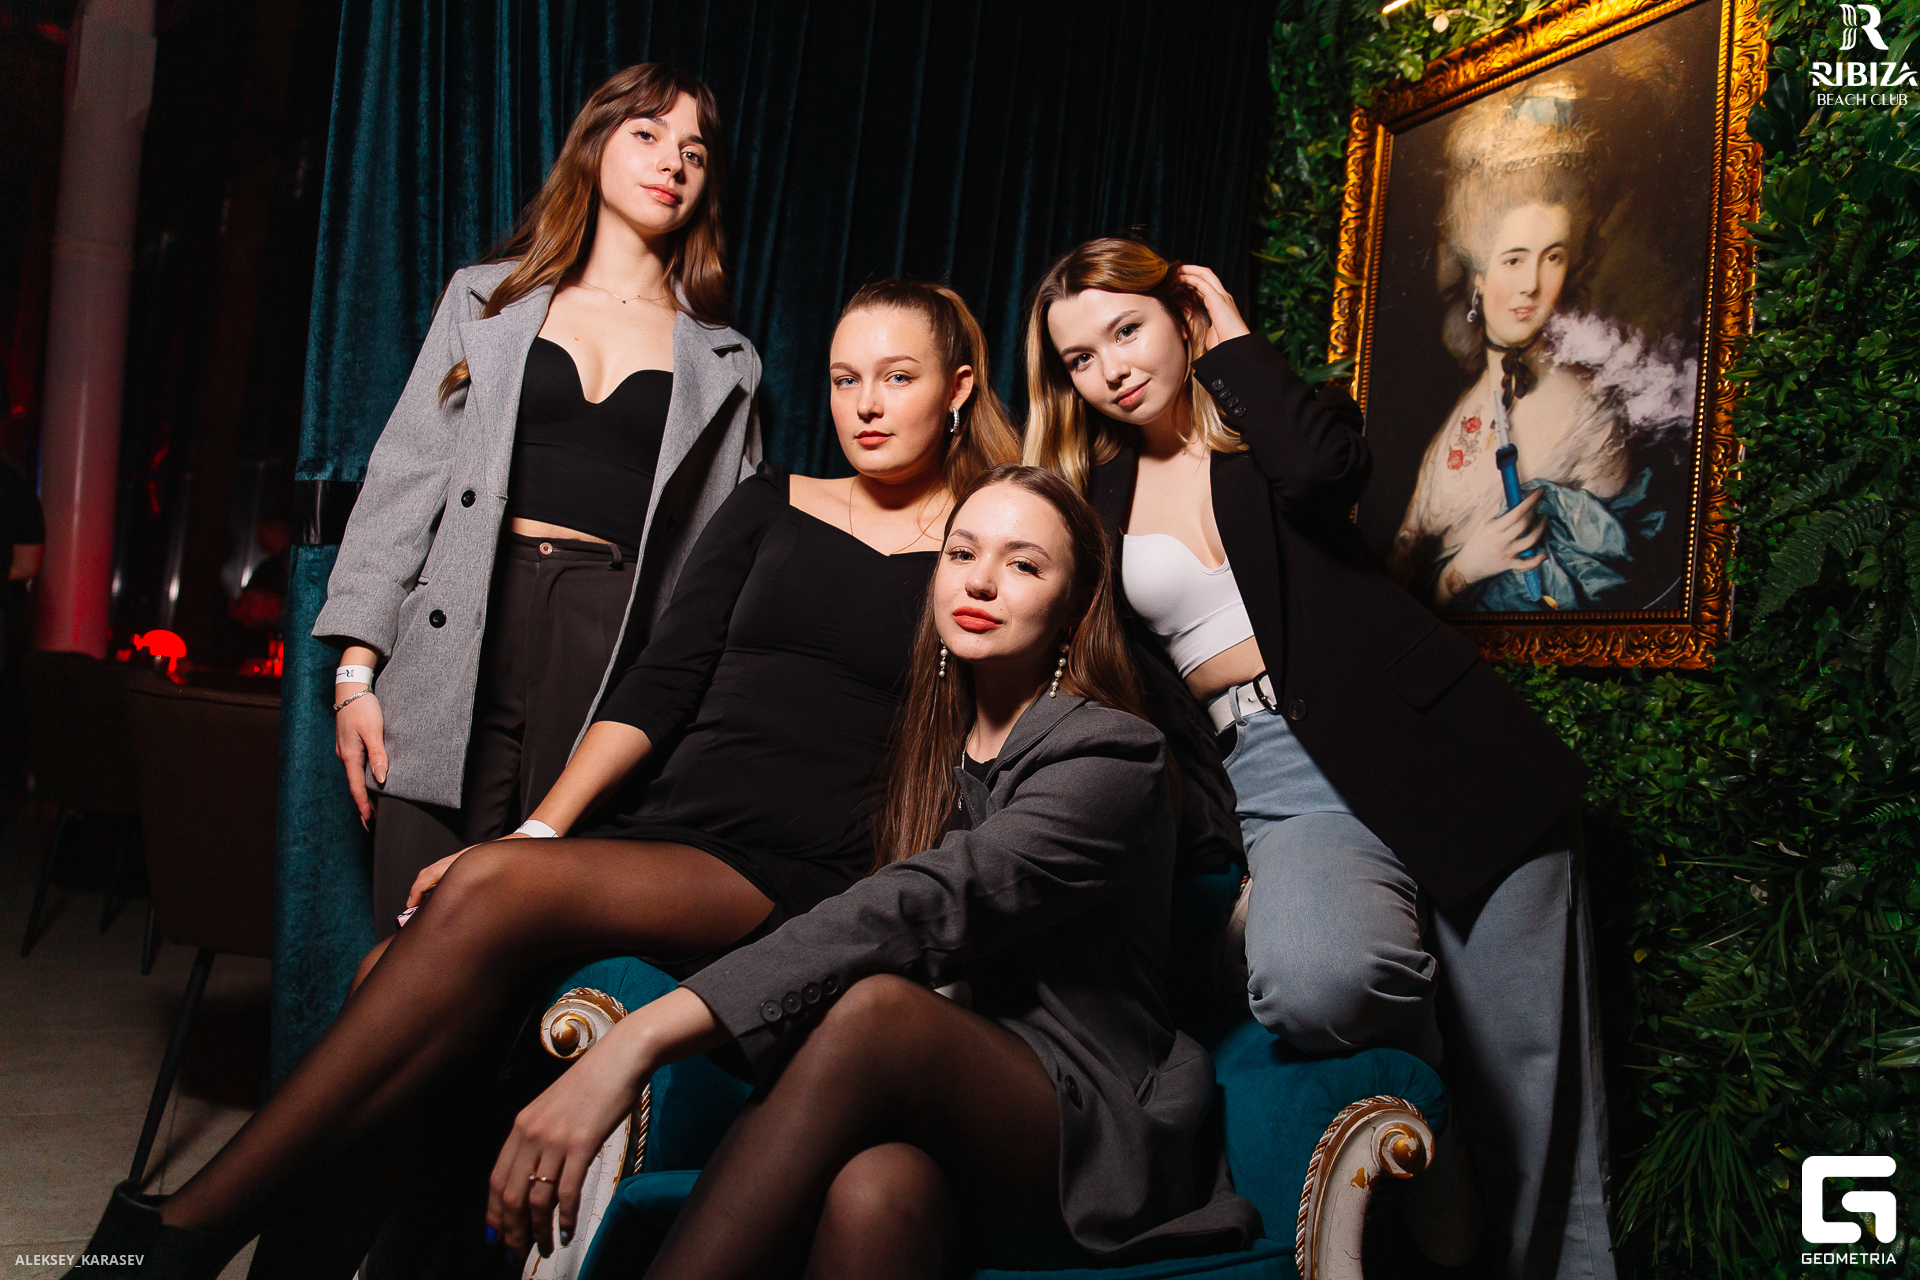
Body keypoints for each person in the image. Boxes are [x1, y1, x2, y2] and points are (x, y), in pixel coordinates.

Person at [64, 280, 1019, 1280]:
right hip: (671, 826)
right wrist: (541, 833)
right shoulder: (772, 500)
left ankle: (176, 1231)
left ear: (956, 387)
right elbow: (661, 682)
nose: (866, 405)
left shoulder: (979, 549)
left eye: (896, 378)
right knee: (385, 968)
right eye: (844, 378)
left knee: (473, 892)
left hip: (797, 863)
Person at [485, 464, 1260, 1277]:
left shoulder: (1113, 755)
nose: (982, 581)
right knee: (875, 1189)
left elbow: (926, 904)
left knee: (877, 1010)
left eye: (1025, 565)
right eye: (962, 553)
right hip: (936, 1117)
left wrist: (636, 1042)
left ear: (1075, 605)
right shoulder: (921, 755)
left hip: (1089, 1124)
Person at [1023, 236, 1613, 1279]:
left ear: (1180, 317)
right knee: (1314, 977)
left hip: (1439, 744)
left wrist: (1233, 342)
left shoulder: (1274, 426)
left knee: (1536, 1077)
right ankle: (1443, 1138)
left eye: (1127, 329)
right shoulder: (1091, 503)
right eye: (1080, 356)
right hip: (1275, 775)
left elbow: (1327, 471)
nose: (1111, 367)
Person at [316, 64, 765, 934]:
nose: (672, 162)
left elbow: (719, 563)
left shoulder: (726, 359)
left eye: (694, 152)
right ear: (594, 146)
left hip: (608, 642)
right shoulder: (488, 299)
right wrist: (354, 674)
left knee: (540, 935)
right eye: (647, 134)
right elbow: (405, 480)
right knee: (411, 942)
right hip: (462, 627)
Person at [1389, 79, 1690, 612]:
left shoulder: (1589, 413)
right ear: (1478, 275)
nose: (1531, 284)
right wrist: (1461, 573)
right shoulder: (1456, 421)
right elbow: (1395, 590)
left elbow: (1604, 596)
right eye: (1513, 259)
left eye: (1552, 257)